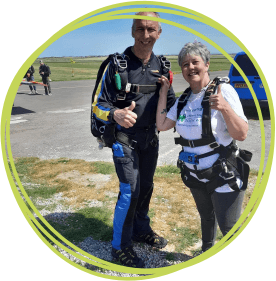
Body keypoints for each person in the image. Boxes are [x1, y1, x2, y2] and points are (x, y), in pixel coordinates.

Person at [94, 12, 176, 268]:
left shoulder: (162, 67)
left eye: (151, 29)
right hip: (124, 139)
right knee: (130, 192)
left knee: (147, 188)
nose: (145, 35)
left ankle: (141, 229)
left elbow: (171, 103)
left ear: (159, 33)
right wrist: (115, 113)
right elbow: (98, 104)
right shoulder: (115, 64)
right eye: (140, 29)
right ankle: (120, 247)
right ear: (132, 31)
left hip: (150, 140)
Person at [156, 42, 249, 255]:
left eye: (195, 62)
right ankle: (207, 254)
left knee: (229, 228)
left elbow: (241, 134)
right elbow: (162, 125)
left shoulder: (224, 91)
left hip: (222, 174)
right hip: (195, 175)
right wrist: (164, 91)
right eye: (185, 64)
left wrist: (225, 108)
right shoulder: (184, 99)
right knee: (206, 217)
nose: (190, 67)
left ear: (206, 64)